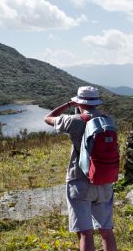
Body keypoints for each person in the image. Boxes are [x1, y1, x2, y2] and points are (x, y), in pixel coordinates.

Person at [44, 86, 117, 251]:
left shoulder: (74, 121)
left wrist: (69, 104)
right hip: (104, 181)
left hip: (80, 182)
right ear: (97, 101)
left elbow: (48, 117)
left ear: (79, 101)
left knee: (85, 232)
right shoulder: (109, 121)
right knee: (106, 231)